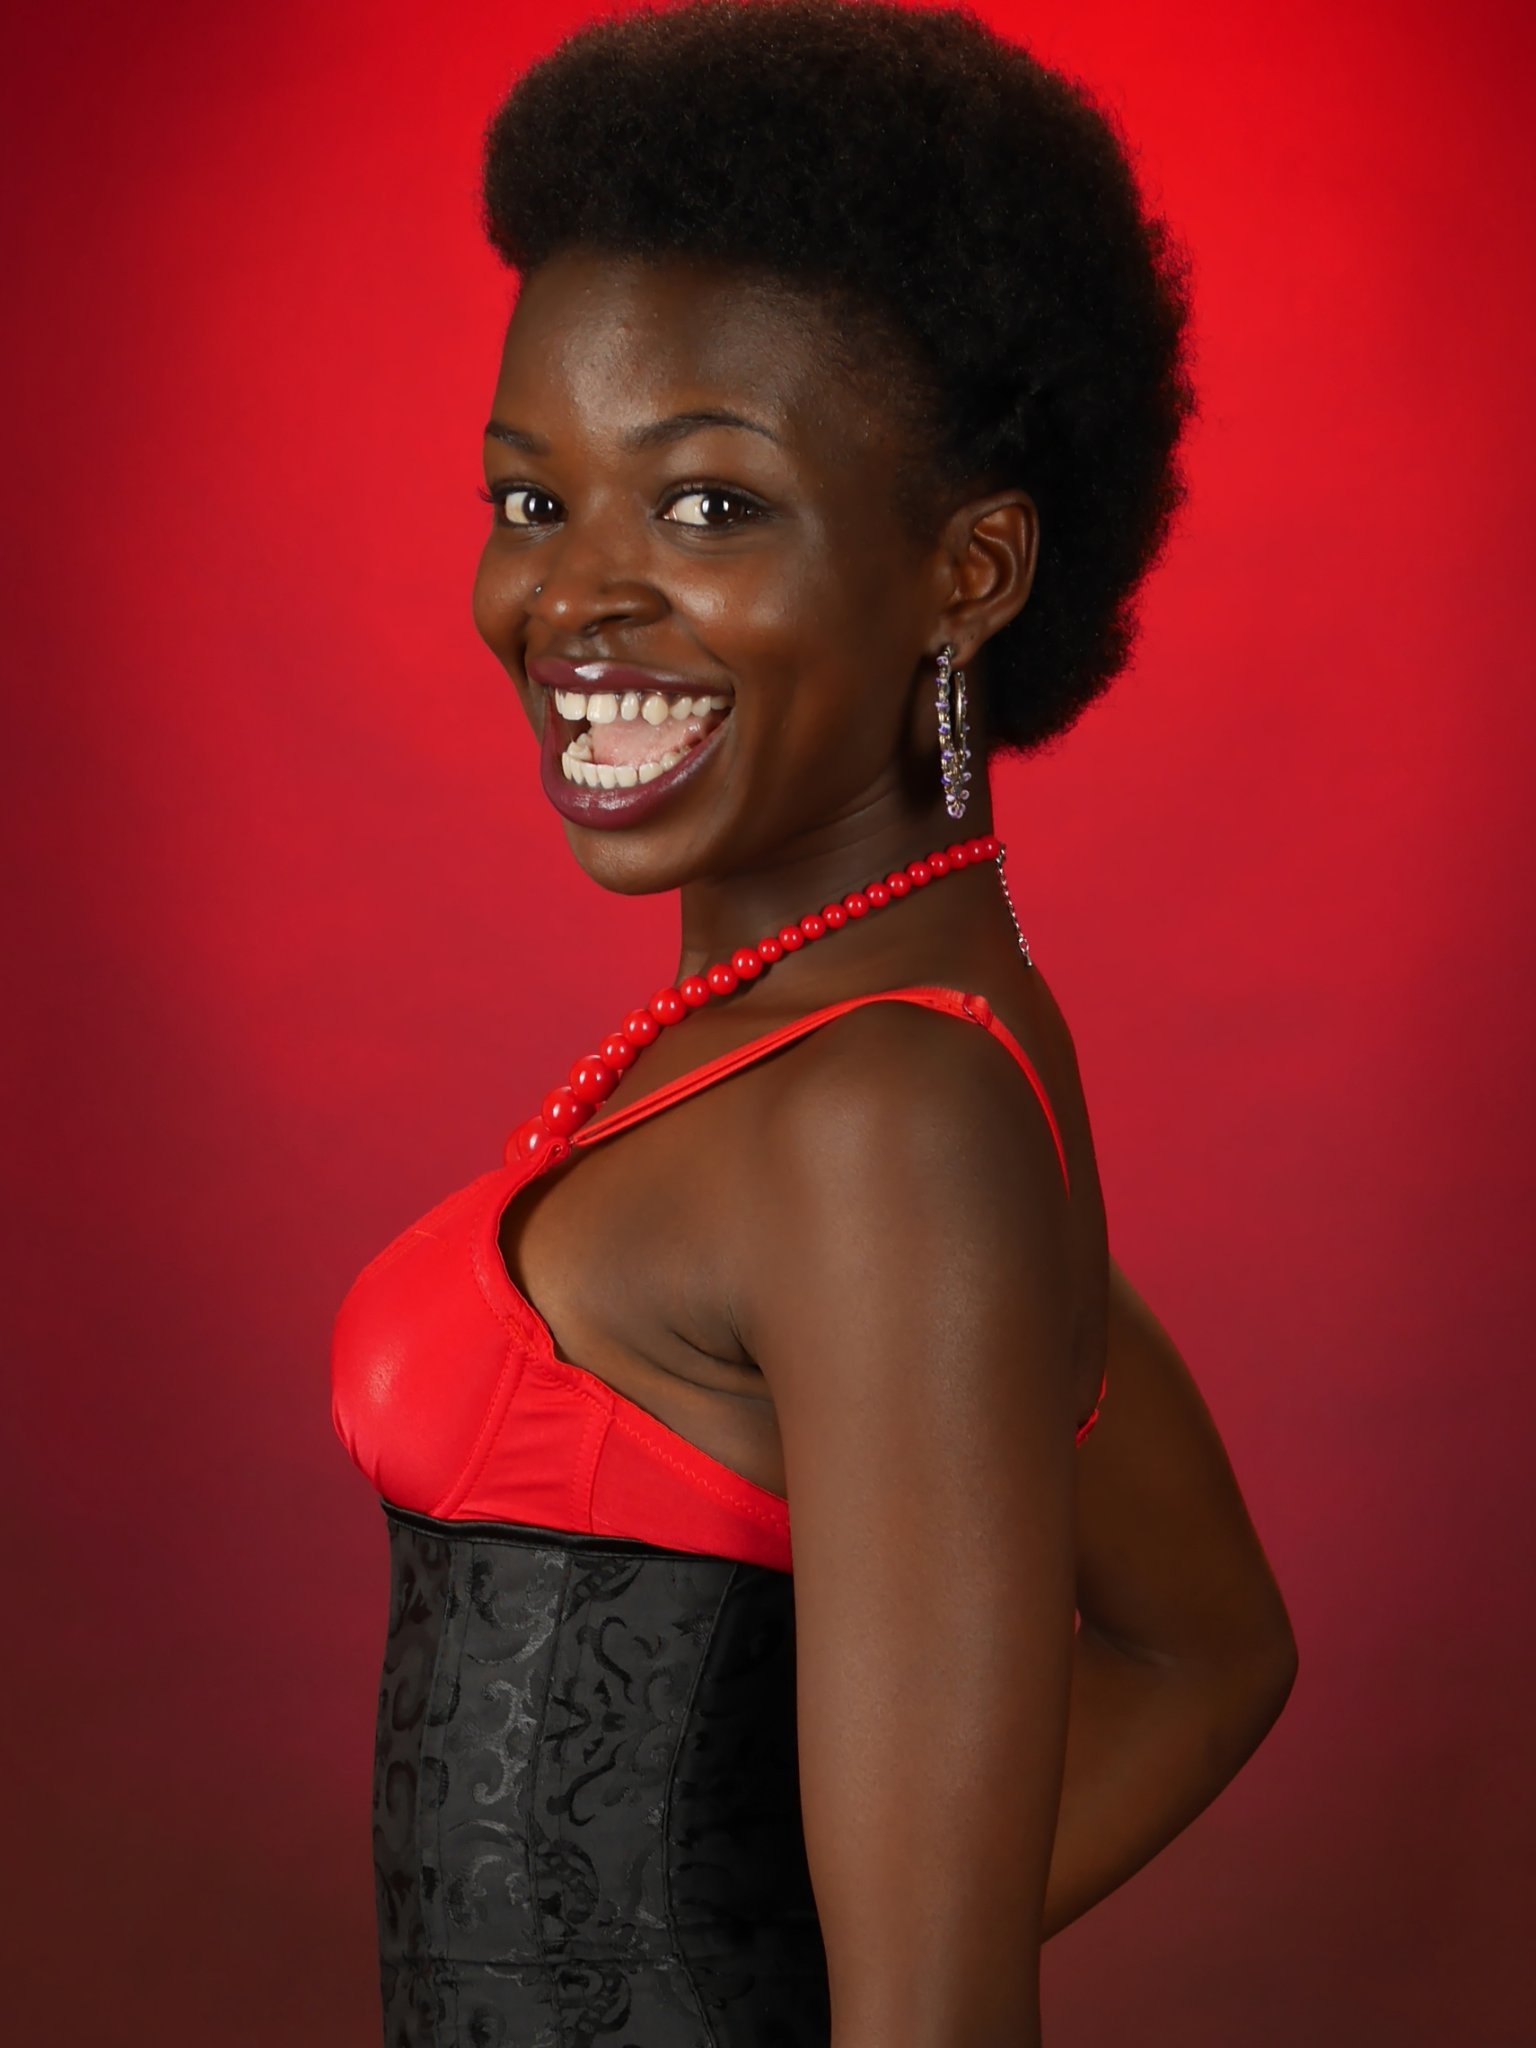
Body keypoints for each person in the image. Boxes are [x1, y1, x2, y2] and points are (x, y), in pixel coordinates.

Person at [330, 3, 1298, 2041]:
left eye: (708, 508)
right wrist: (770, 1937)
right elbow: (1204, 1642)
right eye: (532, 502)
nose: (570, 601)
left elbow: (939, 2012)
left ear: (971, 569)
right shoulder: (853, 1057)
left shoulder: (891, 1123)